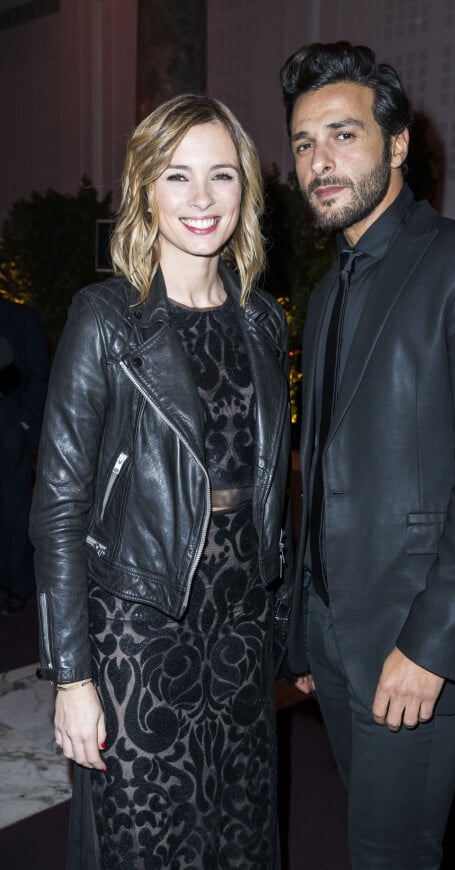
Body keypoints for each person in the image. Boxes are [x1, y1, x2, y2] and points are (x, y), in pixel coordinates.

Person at [280, 41, 455, 869]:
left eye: (342, 134)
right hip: (335, 636)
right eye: (301, 144)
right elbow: (319, 471)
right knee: (377, 838)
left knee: (391, 856)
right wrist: (309, 628)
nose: (318, 162)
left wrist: (432, 644)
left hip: (418, 637)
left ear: (397, 144)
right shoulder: (327, 291)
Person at [30, 94, 291, 869]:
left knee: (242, 831)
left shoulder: (263, 321)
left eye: (223, 175)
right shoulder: (106, 318)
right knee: (145, 841)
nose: (203, 199)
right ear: (146, 189)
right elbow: (60, 504)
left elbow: (273, 478)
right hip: (140, 629)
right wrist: (71, 675)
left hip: (241, 625)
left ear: (247, 188)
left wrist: (283, 623)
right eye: (178, 176)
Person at [0, 297, 49, 613]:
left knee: (13, 510)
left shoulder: (19, 316)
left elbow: (39, 372)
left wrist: (25, 423)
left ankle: (19, 585)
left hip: (8, 428)